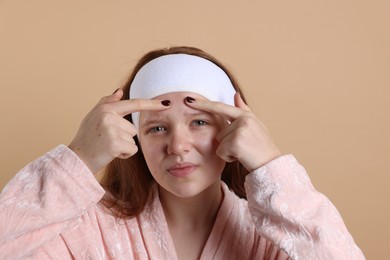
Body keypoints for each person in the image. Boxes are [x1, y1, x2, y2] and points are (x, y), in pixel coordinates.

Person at [0, 46, 364, 259]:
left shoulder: (271, 237)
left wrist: (272, 167)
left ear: (233, 128)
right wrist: (77, 159)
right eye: (156, 127)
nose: (178, 146)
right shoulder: (83, 230)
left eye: (200, 122)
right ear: (134, 139)